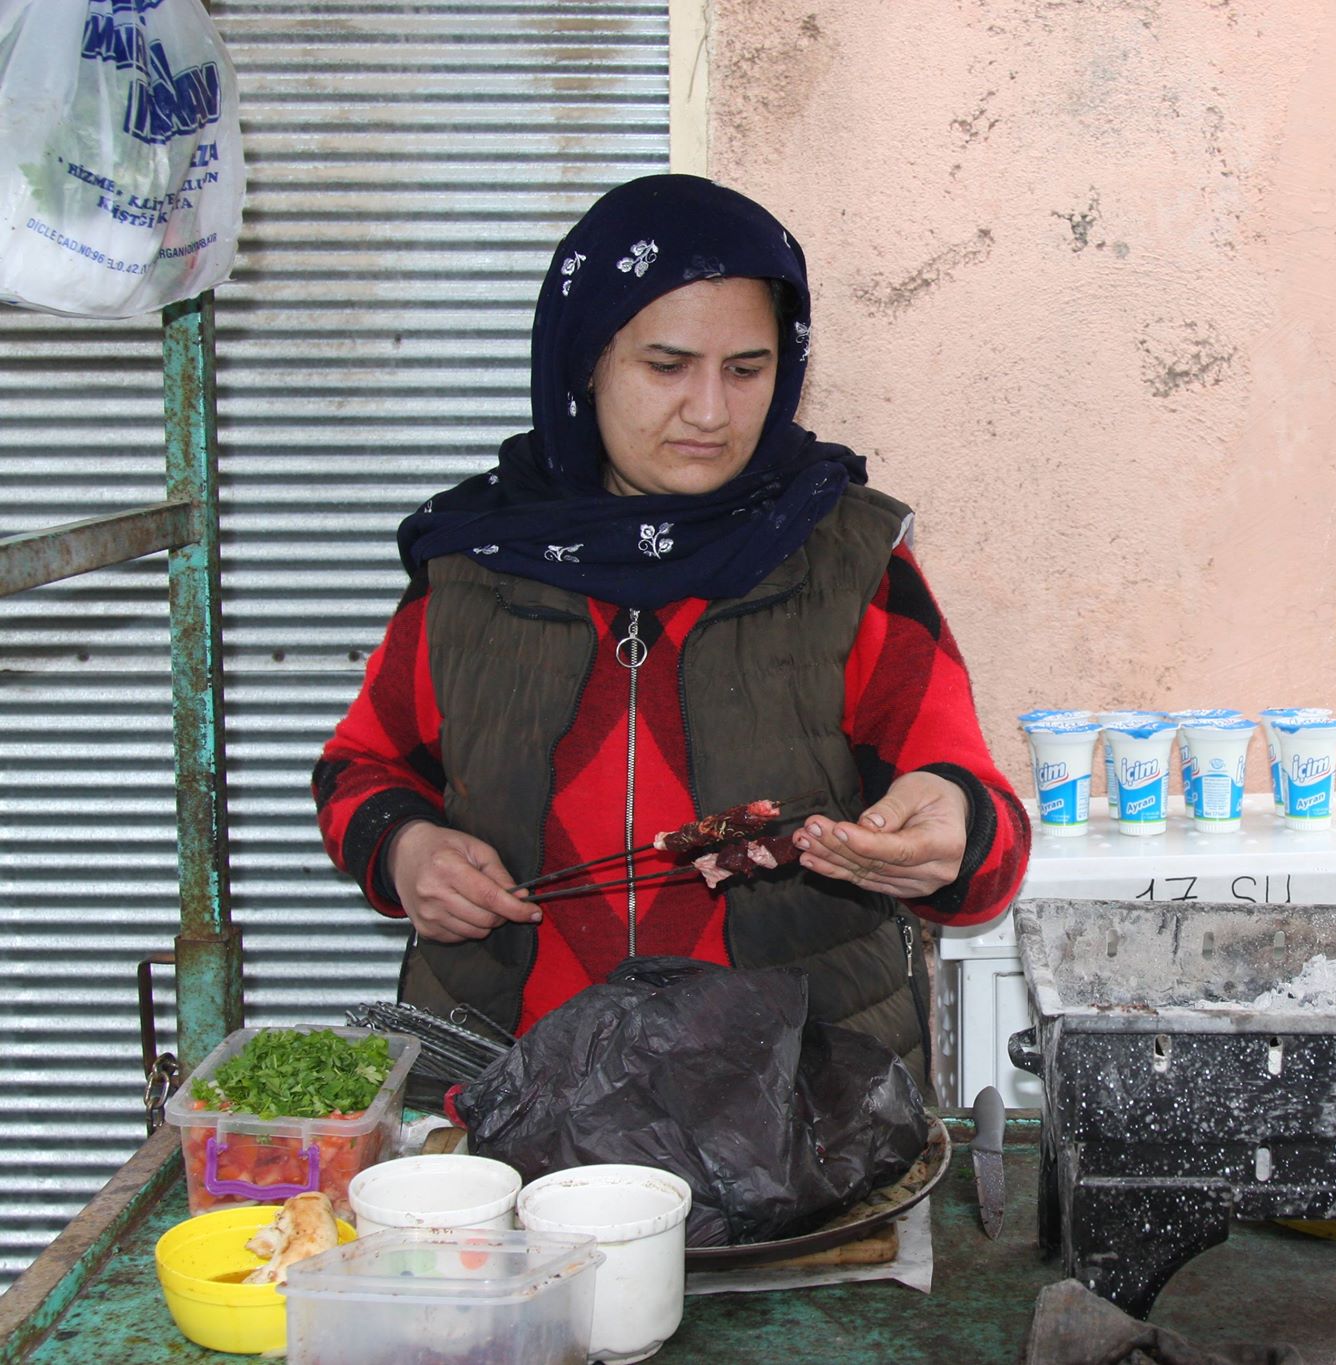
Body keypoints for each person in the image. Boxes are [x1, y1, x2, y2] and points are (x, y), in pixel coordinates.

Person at [313, 175, 1030, 1081]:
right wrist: (405, 847)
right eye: (666, 365)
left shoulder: (847, 561)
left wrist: (956, 832)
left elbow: (989, 833)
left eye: (747, 369)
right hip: (505, 1111)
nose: (709, 412)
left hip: (793, 1130)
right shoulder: (476, 565)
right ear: (585, 362)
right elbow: (357, 770)